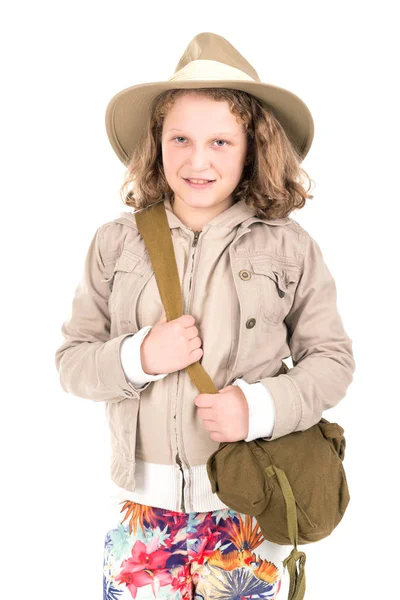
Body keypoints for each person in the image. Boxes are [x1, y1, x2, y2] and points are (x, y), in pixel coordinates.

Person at [55, 32, 355, 600]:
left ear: (252, 147)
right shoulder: (115, 243)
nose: (197, 160)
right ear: (157, 143)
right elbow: (71, 362)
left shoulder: (289, 246)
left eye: (220, 141)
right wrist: (137, 355)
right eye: (181, 139)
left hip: (247, 510)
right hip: (144, 522)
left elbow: (333, 360)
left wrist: (258, 407)